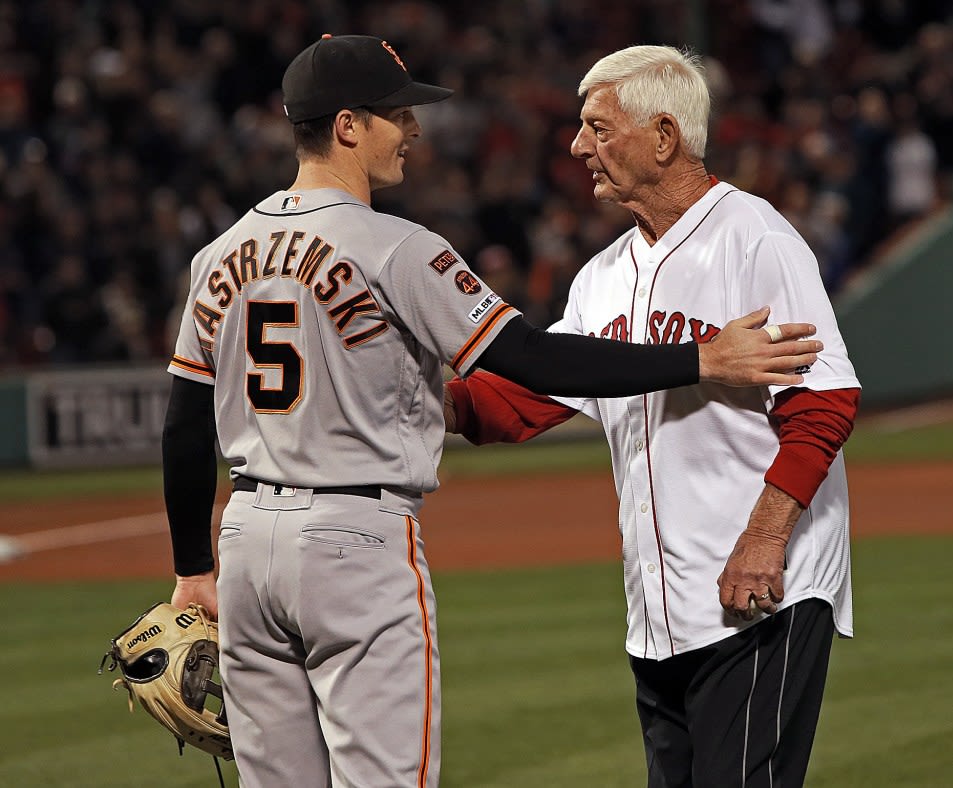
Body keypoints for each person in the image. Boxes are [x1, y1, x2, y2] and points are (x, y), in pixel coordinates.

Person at [161, 34, 822, 788]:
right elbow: (538, 363)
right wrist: (698, 359)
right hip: (355, 541)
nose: (413, 129)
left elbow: (183, 426)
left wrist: (192, 568)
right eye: (396, 114)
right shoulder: (399, 248)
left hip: (246, 540)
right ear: (347, 126)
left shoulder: (219, 254)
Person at [445, 44, 860, 787]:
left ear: (664, 137)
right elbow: (524, 401)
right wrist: (420, 399)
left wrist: (766, 539)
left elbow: (824, 401)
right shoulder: (603, 276)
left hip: (764, 591)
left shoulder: (753, 238)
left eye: (598, 128)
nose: (578, 146)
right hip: (661, 612)